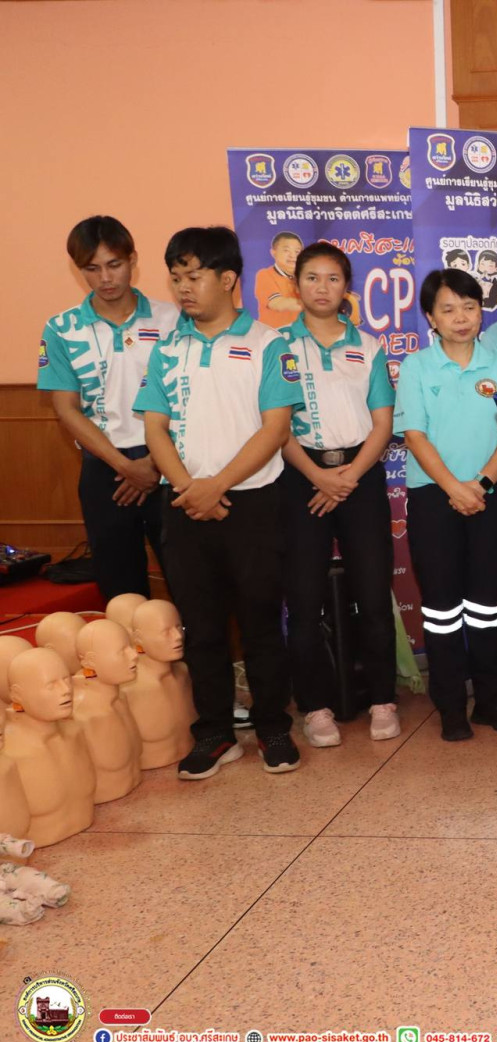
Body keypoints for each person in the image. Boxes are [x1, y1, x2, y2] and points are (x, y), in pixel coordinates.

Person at [132, 226, 304, 778]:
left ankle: (273, 726)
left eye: (194, 276)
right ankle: (213, 733)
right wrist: (190, 488)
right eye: (176, 277)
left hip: (252, 505)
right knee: (200, 626)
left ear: (228, 279)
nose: (183, 288)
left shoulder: (269, 344)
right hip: (184, 505)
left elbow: (275, 428)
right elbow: (154, 428)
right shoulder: (167, 349)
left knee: (259, 621)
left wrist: (217, 485)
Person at [276, 242, 399, 748]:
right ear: (295, 286)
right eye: (312, 278)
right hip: (300, 474)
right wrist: (318, 476)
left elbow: (383, 424)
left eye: (333, 278)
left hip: (361, 475)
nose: (322, 288)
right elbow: (274, 426)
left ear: (347, 287)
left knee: (372, 593)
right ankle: (315, 707)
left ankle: (383, 700)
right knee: (304, 599)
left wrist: (346, 478)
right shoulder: (276, 345)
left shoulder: (367, 346)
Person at [393, 268, 497, 742]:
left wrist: (481, 484)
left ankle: (491, 701)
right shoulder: (416, 367)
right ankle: (450, 706)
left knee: (487, 604)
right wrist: (454, 487)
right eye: (448, 309)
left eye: (469, 307)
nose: (461, 317)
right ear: (431, 317)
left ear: (481, 312)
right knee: (442, 608)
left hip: (493, 494)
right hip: (435, 497)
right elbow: (414, 435)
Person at [37, 215, 177, 600]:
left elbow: (191, 399)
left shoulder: (173, 319)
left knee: (191, 584)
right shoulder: (61, 328)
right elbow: (66, 408)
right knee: (120, 590)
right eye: (92, 269)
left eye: (114, 265)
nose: (105, 278)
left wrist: (153, 463)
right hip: (105, 467)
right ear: (78, 269)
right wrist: (124, 466)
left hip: (171, 463)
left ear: (133, 259)